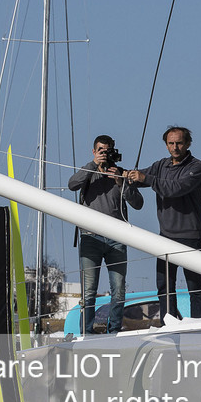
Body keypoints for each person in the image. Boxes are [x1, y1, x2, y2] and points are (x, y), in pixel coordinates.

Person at [128, 126, 201, 324]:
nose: (175, 147)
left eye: (179, 143)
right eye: (171, 143)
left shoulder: (196, 167)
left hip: (190, 235)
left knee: (194, 285)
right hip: (165, 235)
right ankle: (169, 322)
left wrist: (144, 178)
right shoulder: (160, 165)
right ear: (166, 145)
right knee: (164, 285)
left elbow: (176, 188)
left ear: (188, 143)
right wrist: (122, 174)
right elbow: (140, 177)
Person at [67, 135, 144, 335]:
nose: (104, 154)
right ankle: (87, 331)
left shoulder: (119, 173)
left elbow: (138, 203)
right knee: (89, 290)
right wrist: (93, 165)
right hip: (90, 237)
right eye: (100, 150)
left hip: (117, 239)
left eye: (107, 150)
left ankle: (114, 330)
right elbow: (72, 184)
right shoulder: (88, 172)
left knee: (118, 289)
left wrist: (121, 182)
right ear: (94, 151)